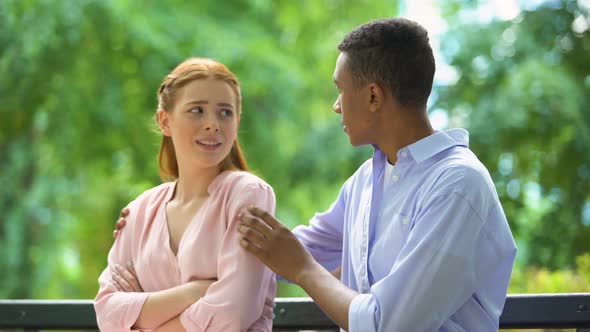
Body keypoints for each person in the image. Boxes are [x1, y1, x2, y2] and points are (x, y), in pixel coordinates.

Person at [237, 18, 517, 331]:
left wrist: (303, 271)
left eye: (340, 90)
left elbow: (390, 325)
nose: (336, 106)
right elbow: (296, 247)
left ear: (373, 96)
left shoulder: (458, 186)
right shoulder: (364, 181)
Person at [95, 57, 276, 332]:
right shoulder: (140, 210)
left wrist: (141, 313)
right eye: (197, 110)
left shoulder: (249, 194)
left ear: (237, 122)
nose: (213, 123)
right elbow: (108, 313)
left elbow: (233, 314)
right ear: (164, 121)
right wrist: (198, 292)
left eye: (225, 112)